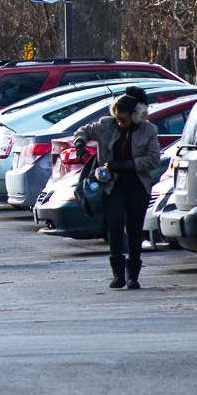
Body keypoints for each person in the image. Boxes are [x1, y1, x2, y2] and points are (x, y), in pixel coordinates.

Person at [73, 86, 160, 289]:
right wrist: (80, 143)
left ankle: (133, 277)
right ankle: (118, 275)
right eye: (118, 119)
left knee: (134, 228)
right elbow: (82, 131)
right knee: (114, 224)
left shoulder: (148, 130)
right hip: (113, 186)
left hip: (138, 185)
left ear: (137, 116)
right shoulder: (106, 125)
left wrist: (127, 165)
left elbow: (153, 160)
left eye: (125, 120)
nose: (120, 123)